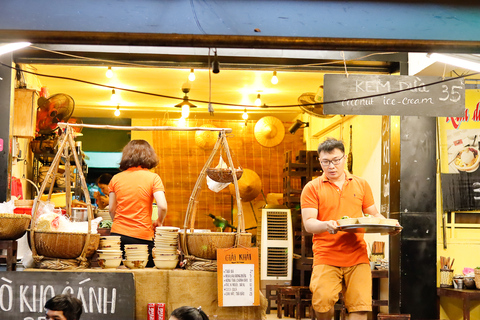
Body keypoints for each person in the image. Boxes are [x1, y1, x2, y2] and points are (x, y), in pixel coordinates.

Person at [301, 137, 399, 320]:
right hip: (326, 255)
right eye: (326, 162)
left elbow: (374, 215)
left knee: (359, 306)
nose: (331, 166)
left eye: (336, 160)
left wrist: (388, 226)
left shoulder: (361, 184)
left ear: (344, 158)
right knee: (322, 304)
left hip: (357, 255)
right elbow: (309, 223)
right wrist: (325, 225)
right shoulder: (312, 188)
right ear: (320, 161)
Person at [109, 139, 168, 267]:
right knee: (145, 278)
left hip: (117, 236)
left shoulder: (116, 178)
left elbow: (111, 209)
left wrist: (119, 223)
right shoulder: (153, 178)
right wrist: (159, 220)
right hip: (142, 237)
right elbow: (162, 206)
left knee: (119, 278)